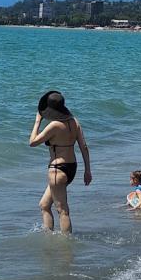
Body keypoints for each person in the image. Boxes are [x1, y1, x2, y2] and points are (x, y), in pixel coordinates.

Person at [28, 90, 92, 233]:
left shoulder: (54, 126)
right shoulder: (74, 122)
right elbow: (84, 147)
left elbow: (32, 142)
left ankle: (66, 245)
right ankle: (49, 237)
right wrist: (87, 170)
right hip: (71, 168)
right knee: (44, 205)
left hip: (57, 170)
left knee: (62, 210)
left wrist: (37, 121)